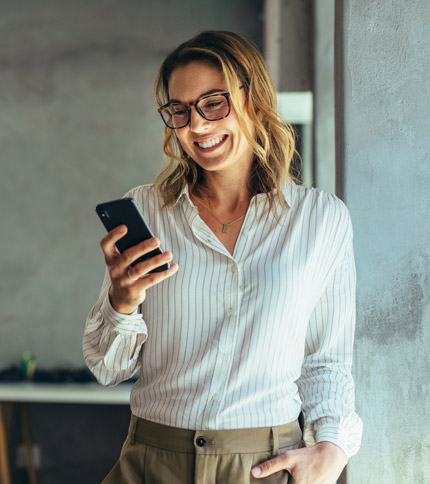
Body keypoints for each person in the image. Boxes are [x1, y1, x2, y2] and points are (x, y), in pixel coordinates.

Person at [83, 30, 362, 484]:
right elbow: (107, 367)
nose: (196, 126)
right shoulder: (149, 211)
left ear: (254, 100)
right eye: (180, 110)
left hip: (262, 466)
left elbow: (326, 360)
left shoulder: (320, 219)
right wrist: (122, 301)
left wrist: (331, 449)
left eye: (214, 103)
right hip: (152, 460)